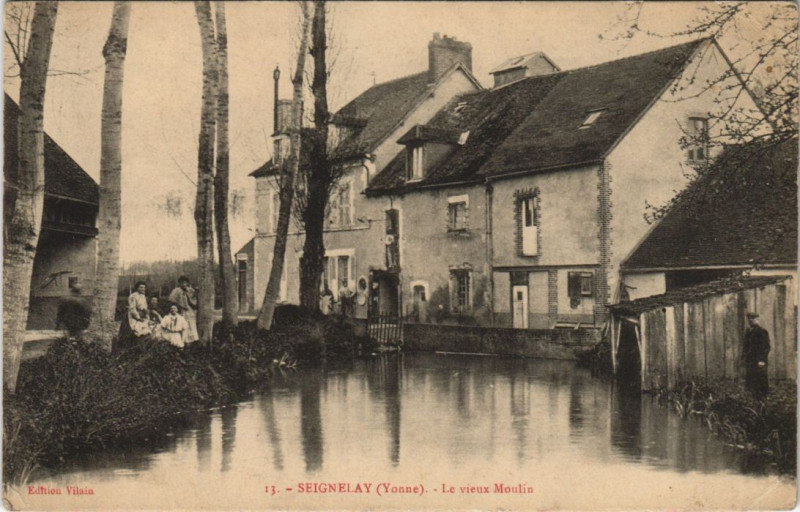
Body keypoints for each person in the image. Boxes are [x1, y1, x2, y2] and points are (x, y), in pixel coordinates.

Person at [742, 311, 770, 399]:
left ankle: (762, 398)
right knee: (750, 379)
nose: (751, 320)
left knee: (760, 379)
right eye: (749, 319)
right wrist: (743, 357)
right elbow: (746, 346)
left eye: (753, 319)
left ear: (758, 320)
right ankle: (752, 397)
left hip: (759, 361)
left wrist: (761, 360)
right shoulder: (748, 332)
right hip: (750, 360)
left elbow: (766, 347)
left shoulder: (762, 331)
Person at [169, 276, 198, 343]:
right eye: (181, 283)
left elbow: (194, 298)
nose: (183, 284)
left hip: (190, 310)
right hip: (182, 310)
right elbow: (172, 300)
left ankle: (192, 341)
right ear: (179, 283)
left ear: (187, 283)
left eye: (185, 282)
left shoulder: (190, 290)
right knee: (183, 325)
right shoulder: (176, 290)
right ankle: (183, 341)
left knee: (191, 325)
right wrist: (178, 307)